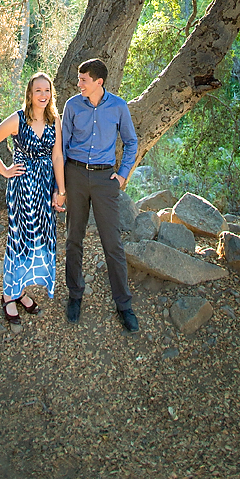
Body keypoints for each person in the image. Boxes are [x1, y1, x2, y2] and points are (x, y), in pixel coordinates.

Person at [0, 72, 66, 324]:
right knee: (20, 238)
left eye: (47, 90)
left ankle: (20, 291)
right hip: (23, 189)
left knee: (39, 238)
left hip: (45, 188)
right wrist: (6, 170)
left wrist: (60, 191)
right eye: (38, 90)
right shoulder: (18, 120)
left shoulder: (54, 120)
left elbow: (57, 156)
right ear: (29, 94)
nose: (43, 95)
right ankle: (9, 295)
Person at [61, 58, 139, 332]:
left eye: (83, 80)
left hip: (106, 179)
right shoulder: (72, 106)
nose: (78, 84)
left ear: (98, 82)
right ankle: (74, 295)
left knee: (113, 243)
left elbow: (131, 142)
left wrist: (123, 176)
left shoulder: (118, 106)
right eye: (79, 79)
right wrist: (59, 188)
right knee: (73, 239)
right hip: (76, 176)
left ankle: (124, 305)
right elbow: (61, 146)